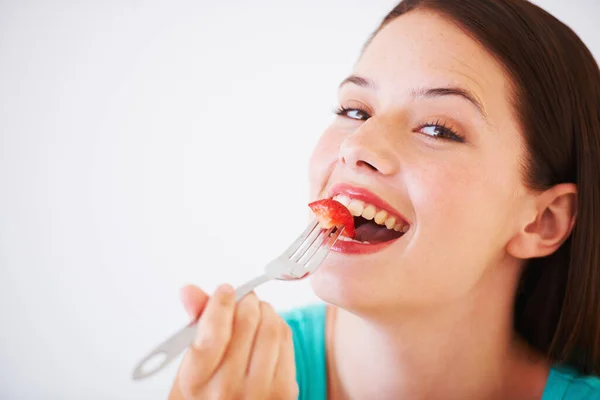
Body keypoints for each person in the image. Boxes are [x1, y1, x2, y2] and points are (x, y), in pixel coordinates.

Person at [168, 0, 600, 398]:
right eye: (355, 110)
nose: (357, 144)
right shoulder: (234, 383)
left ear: (542, 221)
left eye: (437, 129)